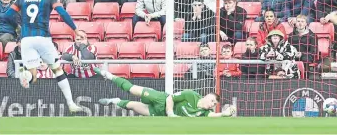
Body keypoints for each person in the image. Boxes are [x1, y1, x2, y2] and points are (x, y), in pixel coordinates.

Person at [0, 0, 83, 112]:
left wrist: (17, 26)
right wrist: (75, 29)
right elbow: (63, 13)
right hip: (42, 37)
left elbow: (7, 15)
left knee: (33, 76)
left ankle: (25, 75)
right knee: (57, 70)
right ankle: (71, 103)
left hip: (26, 39)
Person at [94, 67, 236, 117]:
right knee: (131, 89)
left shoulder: (203, 113)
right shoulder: (190, 94)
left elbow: (213, 115)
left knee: (131, 105)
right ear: (206, 96)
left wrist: (225, 113)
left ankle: (115, 101)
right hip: (161, 99)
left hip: (160, 113)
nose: (212, 104)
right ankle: (109, 75)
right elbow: (170, 99)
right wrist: (171, 113)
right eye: (212, 100)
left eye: (214, 104)